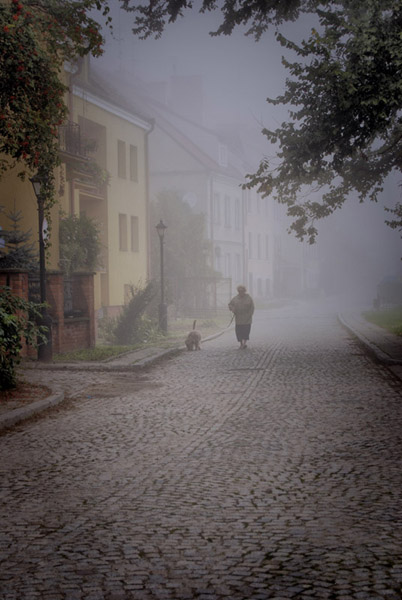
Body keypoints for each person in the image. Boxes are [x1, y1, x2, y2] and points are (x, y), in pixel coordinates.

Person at [228, 285, 255, 349]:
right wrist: (232, 309)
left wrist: (250, 315)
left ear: (244, 291)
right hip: (239, 319)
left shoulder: (249, 298)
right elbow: (230, 304)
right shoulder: (235, 298)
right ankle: (241, 343)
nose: (241, 292)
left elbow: (252, 307)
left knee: (245, 332)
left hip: (247, 319)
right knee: (239, 332)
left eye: (242, 291)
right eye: (239, 291)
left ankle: (244, 343)